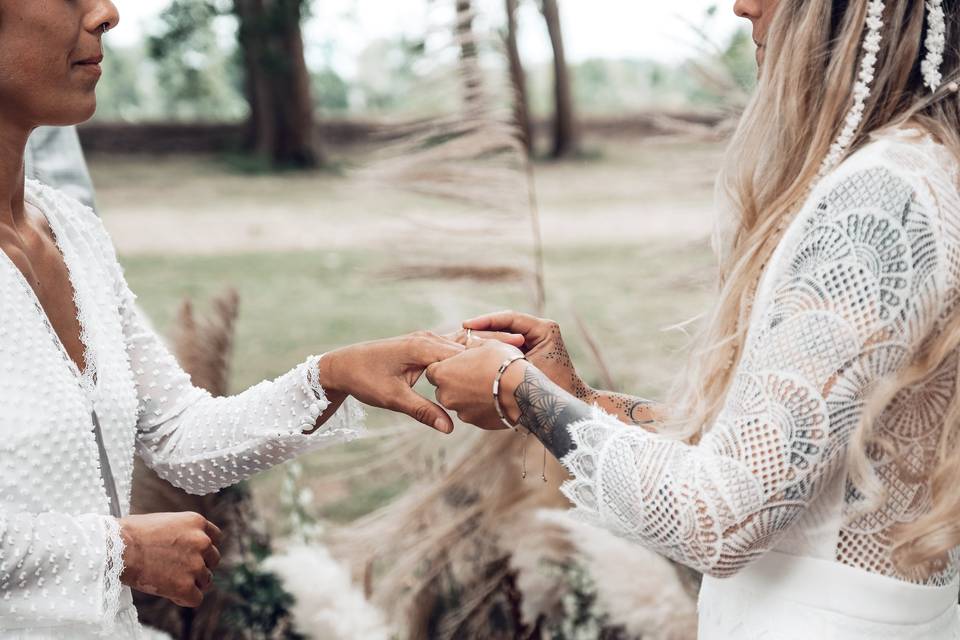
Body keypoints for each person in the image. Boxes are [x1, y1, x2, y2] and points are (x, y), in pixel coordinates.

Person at [428, 0, 960, 637]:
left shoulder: (880, 202)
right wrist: (576, 398)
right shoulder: (919, 168)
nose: (743, 6)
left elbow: (719, 519)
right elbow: (762, 457)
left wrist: (515, 389)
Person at [0, 2, 525, 637]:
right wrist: (119, 552)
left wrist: (332, 376)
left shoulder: (72, 232)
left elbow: (180, 439)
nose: (106, 13)